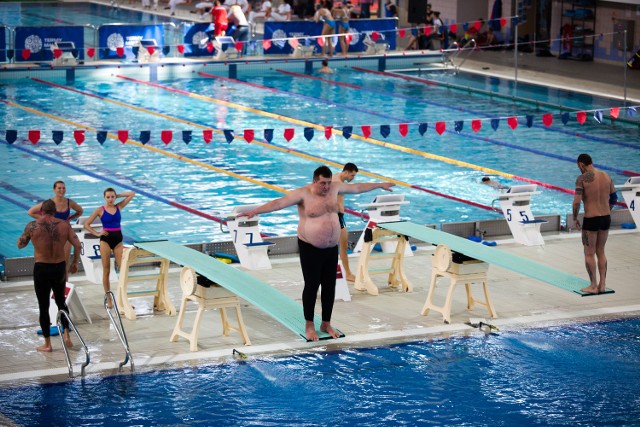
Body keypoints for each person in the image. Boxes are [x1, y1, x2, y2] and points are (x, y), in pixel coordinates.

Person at [237, 166, 395, 341]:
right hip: (309, 247)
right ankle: (309, 325)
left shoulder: (335, 188)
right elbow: (278, 203)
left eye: (328, 183)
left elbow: (357, 188)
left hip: (331, 247)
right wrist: (255, 211)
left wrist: (380, 184)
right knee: (312, 286)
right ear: (314, 181)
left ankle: (326, 323)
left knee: (329, 286)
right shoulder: (303, 194)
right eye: (322, 183)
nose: (326, 187)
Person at [17, 199, 81, 352]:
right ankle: (67, 335)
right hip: (59, 267)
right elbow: (77, 245)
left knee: (43, 306)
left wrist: (28, 238)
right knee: (61, 302)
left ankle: (48, 344)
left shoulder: (32, 226)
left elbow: (20, 244)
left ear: (41, 211)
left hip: (42, 268)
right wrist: (75, 263)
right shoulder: (64, 225)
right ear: (55, 211)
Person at [572, 153, 617, 295]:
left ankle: (593, 286)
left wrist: (574, 218)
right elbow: (614, 197)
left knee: (589, 253)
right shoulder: (606, 175)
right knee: (601, 251)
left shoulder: (582, 179)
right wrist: (607, 209)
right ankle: (602, 285)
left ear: (581, 165)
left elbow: (577, 201)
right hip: (605, 218)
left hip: (591, 219)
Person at [83, 188, 136, 307]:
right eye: (108, 197)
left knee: (123, 270)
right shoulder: (100, 210)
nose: (110, 199)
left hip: (118, 241)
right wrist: (97, 234)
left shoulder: (119, 207)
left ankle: (123, 298)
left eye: (112, 197)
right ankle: (109, 299)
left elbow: (132, 194)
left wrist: (119, 195)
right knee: (106, 270)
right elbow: (86, 224)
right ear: (104, 198)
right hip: (105, 241)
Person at [28, 180, 84, 280]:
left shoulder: (69, 202)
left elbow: (80, 211)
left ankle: (64, 287)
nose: (62, 190)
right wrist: (43, 220)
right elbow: (31, 212)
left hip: (66, 233)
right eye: (59, 188)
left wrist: (70, 218)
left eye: (63, 188)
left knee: (65, 263)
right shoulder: (49, 203)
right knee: (50, 261)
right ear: (54, 190)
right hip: (52, 234)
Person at [332, 163, 358, 282]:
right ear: (346, 172)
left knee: (342, 245)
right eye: (352, 175)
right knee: (343, 245)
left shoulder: (337, 177)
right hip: (336, 216)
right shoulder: (337, 182)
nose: (353, 178)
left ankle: (345, 272)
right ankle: (347, 273)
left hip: (338, 216)